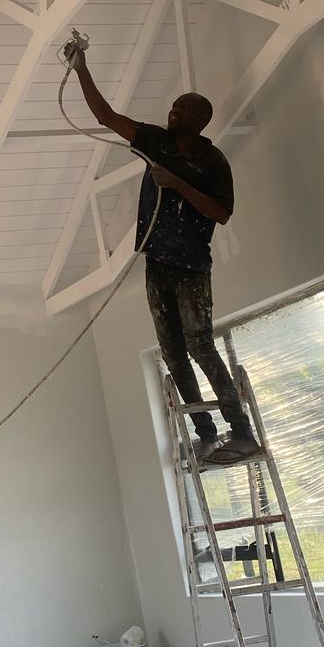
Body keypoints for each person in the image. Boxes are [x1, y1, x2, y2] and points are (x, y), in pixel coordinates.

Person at [70, 51, 259, 464]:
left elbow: (221, 213)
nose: (174, 111)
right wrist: (82, 68)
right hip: (156, 262)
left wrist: (176, 183)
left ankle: (242, 432)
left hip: (191, 267)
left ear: (201, 120)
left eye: (182, 108)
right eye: (173, 106)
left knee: (200, 346)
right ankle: (206, 434)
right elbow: (106, 116)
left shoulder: (213, 162)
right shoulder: (156, 141)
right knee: (173, 353)